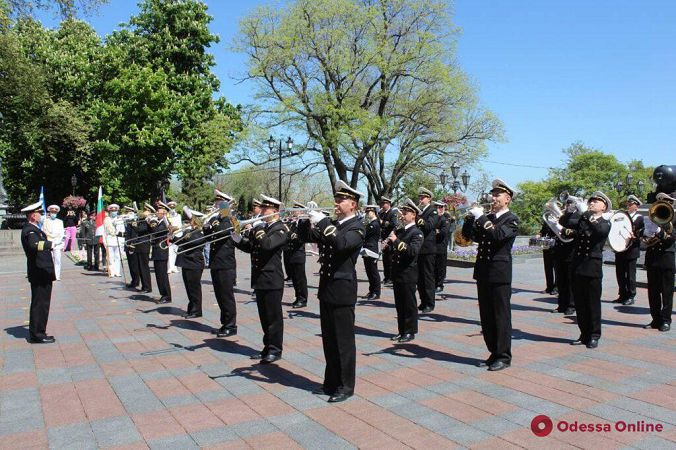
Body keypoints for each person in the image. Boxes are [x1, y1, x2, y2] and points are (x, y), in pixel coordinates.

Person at [298, 180, 365, 403]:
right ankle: (330, 382)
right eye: (336, 199)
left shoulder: (357, 226)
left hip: (343, 290)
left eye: (341, 200)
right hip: (327, 288)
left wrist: (324, 221)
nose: (336, 203)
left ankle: (346, 386)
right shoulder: (335, 224)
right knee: (329, 339)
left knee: (343, 341)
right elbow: (308, 237)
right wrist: (305, 220)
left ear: (353, 204)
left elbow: (340, 244)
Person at [462, 179, 519, 371]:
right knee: (486, 315)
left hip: (499, 273)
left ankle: (504, 356)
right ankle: (493, 351)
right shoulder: (489, 218)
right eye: (492, 194)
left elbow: (497, 236)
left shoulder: (511, 219)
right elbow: (470, 237)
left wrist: (481, 217)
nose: (493, 198)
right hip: (484, 271)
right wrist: (470, 219)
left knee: (500, 315)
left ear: (507, 199)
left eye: (497, 195)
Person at [232, 194, 289, 363]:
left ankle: (275, 349)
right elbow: (252, 248)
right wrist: (237, 239)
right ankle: (267, 347)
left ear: (275, 211)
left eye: (266, 208)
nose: (262, 211)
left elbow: (267, 245)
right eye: (262, 208)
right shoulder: (263, 227)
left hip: (272, 279)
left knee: (273, 318)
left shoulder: (280, 228)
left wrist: (258, 229)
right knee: (264, 317)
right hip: (260, 278)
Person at [556, 192, 612, 349]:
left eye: (596, 201)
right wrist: (569, 210)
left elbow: (599, 232)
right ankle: (584, 333)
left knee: (592, 303)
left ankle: (594, 335)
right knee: (580, 303)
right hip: (578, 264)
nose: (592, 203)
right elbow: (566, 224)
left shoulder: (605, 222)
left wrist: (585, 213)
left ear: (604, 207)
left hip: (592, 267)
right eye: (591, 201)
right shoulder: (584, 218)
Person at [385, 199, 423, 342]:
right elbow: (395, 249)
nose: (402, 215)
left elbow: (412, 251)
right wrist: (388, 245)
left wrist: (395, 241)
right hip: (397, 271)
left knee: (409, 304)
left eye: (405, 212)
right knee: (399, 303)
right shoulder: (400, 230)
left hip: (408, 272)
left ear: (413, 215)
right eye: (402, 212)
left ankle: (410, 331)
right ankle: (401, 330)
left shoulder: (417, 233)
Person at [20, 201, 56, 343]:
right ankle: (37, 334)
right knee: (39, 303)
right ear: (33, 215)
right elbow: (33, 245)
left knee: (43, 303)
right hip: (39, 272)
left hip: (42, 271)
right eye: (39, 213)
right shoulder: (30, 230)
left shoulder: (35, 228)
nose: (41, 215)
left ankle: (40, 331)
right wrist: (51, 244)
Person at [204, 190, 238, 337]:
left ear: (225, 204)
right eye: (216, 202)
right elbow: (208, 237)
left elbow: (222, 233)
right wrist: (206, 225)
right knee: (219, 295)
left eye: (219, 203)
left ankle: (231, 325)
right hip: (216, 262)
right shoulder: (216, 217)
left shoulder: (229, 219)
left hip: (225, 263)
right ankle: (224, 323)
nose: (215, 204)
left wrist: (212, 223)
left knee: (226, 296)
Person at [642, 214, 675, 332]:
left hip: (666, 260)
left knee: (667, 293)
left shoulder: (674, 220)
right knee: (653, 292)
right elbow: (642, 236)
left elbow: (672, 238)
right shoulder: (651, 219)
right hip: (652, 259)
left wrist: (659, 231)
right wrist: (645, 232)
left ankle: (666, 320)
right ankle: (655, 319)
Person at [174, 207, 206, 318]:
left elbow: (193, 242)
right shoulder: (190, 231)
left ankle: (197, 310)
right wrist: (171, 234)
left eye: (190, 220)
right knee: (189, 287)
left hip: (194, 263)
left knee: (194, 288)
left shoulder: (201, 232)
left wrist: (185, 233)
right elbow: (178, 242)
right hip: (186, 262)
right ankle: (191, 308)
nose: (188, 222)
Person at [613, 195, 645, 306]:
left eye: (631, 204)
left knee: (631, 275)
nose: (629, 206)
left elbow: (638, 232)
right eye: (628, 204)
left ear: (636, 206)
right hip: (620, 249)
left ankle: (631, 295)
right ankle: (622, 294)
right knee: (620, 273)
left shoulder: (639, 218)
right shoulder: (622, 216)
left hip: (631, 250)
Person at [553, 198, 581, 315]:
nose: (569, 205)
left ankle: (571, 305)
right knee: (560, 279)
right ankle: (561, 304)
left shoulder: (579, 216)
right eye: (568, 203)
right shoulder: (563, 216)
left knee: (570, 280)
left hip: (571, 251)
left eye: (571, 203)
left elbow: (577, 231)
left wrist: (563, 229)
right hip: (560, 250)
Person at [416, 187, 439, 313]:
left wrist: (418, 219)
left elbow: (430, 225)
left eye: (422, 197)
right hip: (419, 248)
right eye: (420, 197)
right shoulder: (420, 212)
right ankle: (423, 301)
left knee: (427, 277)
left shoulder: (432, 211)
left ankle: (430, 303)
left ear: (429, 198)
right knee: (419, 277)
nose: (420, 199)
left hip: (428, 249)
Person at [286, 202, 309, 308]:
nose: (293, 211)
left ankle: (303, 299)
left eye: (295, 209)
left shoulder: (303, 223)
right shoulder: (292, 223)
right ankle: (298, 297)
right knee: (295, 278)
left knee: (300, 278)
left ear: (300, 211)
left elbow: (299, 238)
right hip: (291, 253)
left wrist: (288, 232)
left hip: (298, 254)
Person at [150, 202, 172, 304]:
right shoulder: (159, 222)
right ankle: (163, 294)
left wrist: (150, 221)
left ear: (164, 213)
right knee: (159, 275)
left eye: (159, 212)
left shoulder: (164, 224)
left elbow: (156, 232)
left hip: (161, 252)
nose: (156, 213)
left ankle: (166, 296)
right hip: (157, 252)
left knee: (162, 275)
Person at [361, 205, 381, 300]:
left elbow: (365, 233)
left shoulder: (375, 224)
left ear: (374, 212)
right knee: (369, 271)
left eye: (369, 212)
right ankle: (371, 290)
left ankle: (376, 292)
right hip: (367, 249)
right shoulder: (370, 223)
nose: (367, 213)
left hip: (372, 249)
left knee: (373, 272)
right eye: (367, 212)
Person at [132, 204, 154, 293]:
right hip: (139, 245)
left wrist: (134, 226)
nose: (144, 212)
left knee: (144, 267)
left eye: (146, 211)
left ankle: (147, 287)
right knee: (140, 267)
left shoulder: (148, 221)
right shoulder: (142, 220)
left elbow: (140, 230)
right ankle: (144, 286)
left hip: (144, 245)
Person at [378, 197, 397, 286]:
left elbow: (393, 224)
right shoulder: (381, 213)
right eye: (382, 204)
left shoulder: (392, 213)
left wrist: (383, 222)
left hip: (390, 239)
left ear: (388, 204)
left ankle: (390, 277)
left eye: (384, 204)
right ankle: (386, 277)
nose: (382, 205)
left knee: (390, 259)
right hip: (383, 238)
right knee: (385, 260)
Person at [42, 205, 65, 281]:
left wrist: (58, 241)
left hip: (57, 243)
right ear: (49, 212)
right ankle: (50, 274)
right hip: (48, 242)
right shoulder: (46, 221)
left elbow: (62, 233)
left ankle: (57, 275)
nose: (53, 213)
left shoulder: (60, 222)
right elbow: (43, 232)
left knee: (57, 260)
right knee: (49, 260)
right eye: (52, 212)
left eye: (55, 212)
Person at [434, 201, 451, 293]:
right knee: (433, 267)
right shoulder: (434, 218)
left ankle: (440, 284)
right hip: (433, 246)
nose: (439, 209)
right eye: (437, 207)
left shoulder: (445, 219)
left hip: (441, 246)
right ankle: (434, 283)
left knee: (440, 267)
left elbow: (443, 232)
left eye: (441, 207)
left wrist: (435, 231)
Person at [104, 204, 125, 278]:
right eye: (112, 210)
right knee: (110, 258)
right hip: (109, 240)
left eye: (115, 210)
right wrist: (105, 242)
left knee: (118, 257)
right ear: (109, 211)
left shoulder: (120, 219)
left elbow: (122, 231)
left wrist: (122, 241)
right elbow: (104, 232)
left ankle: (117, 271)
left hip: (118, 241)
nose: (114, 212)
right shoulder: (107, 219)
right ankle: (112, 272)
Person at [537, 219, 558, 295]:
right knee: (547, 267)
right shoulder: (547, 219)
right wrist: (539, 235)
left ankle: (556, 287)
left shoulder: (560, 217)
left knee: (557, 268)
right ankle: (549, 287)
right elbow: (543, 230)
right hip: (547, 245)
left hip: (556, 246)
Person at [124, 205, 141, 289]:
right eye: (126, 212)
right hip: (128, 244)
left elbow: (135, 235)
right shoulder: (128, 221)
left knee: (134, 265)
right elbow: (128, 234)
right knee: (131, 265)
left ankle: (136, 281)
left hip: (132, 245)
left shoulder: (133, 221)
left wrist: (132, 245)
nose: (127, 213)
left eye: (129, 212)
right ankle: (133, 280)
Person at [166, 200, 182, 274]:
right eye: (170, 207)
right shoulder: (166, 216)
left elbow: (180, 225)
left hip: (177, 234)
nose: (172, 208)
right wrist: (170, 228)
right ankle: (170, 267)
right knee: (169, 251)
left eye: (173, 207)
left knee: (175, 251)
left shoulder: (178, 215)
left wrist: (175, 228)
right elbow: (166, 225)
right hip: (170, 235)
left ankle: (174, 267)